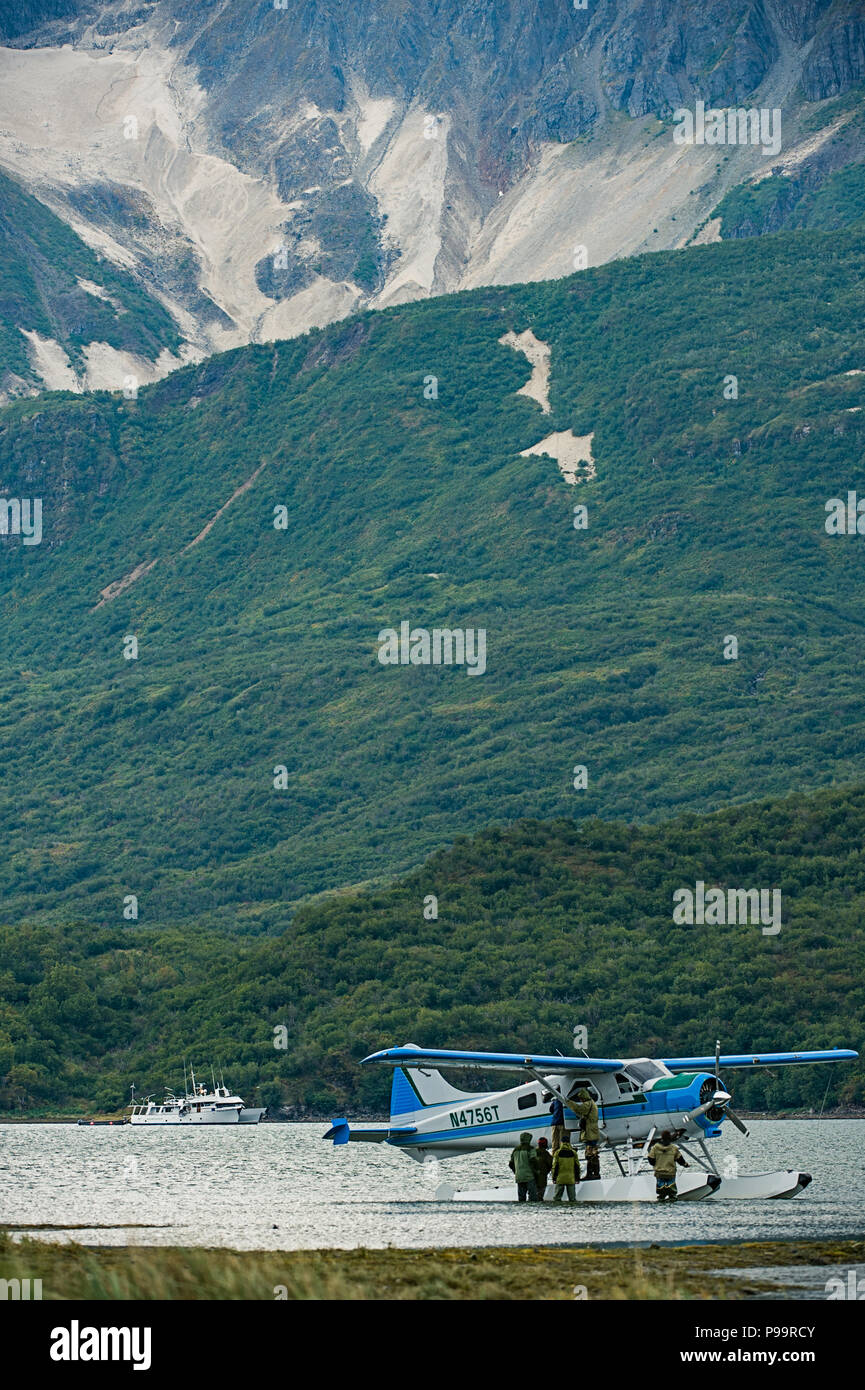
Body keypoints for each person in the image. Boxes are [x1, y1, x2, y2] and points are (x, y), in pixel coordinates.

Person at [570, 1088, 601, 1181]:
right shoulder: (592, 1103)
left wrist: (569, 1103)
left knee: (590, 1154)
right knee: (593, 1153)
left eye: (581, 1099)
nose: (580, 1101)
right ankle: (595, 1173)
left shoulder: (587, 1104)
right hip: (593, 1131)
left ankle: (591, 1174)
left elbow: (579, 1109)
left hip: (590, 1132)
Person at [648, 1130, 688, 1200]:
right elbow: (680, 1159)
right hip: (670, 1173)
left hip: (659, 1173)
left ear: (662, 1137)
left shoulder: (655, 1147)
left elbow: (650, 1159)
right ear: (669, 1137)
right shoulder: (674, 1148)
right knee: (672, 1191)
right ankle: (672, 1197)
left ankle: (661, 1198)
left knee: (661, 1190)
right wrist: (685, 1164)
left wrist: (655, 1164)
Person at [508, 1131, 540, 1201]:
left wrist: (516, 1171)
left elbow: (510, 1164)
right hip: (529, 1176)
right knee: (533, 1197)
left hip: (519, 1176)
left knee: (521, 1198)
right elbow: (533, 1160)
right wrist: (537, 1171)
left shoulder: (515, 1150)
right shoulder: (530, 1148)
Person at [551, 1134, 580, 1204]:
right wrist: (577, 1178)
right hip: (571, 1178)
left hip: (560, 1178)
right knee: (572, 1200)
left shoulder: (557, 1152)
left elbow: (555, 1166)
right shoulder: (573, 1153)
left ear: (561, 1142)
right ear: (569, 1142)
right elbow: (577, 1166)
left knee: (557, 1199)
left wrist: (554, 1178)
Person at [535, 1136, 553, 1201]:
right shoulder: (546, 1154)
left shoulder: (532, 1152)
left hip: (532, 1178)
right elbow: (551, 1164)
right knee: (540, 1196)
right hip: (542, 1179)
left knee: (532, 1196)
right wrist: (547, 1171)